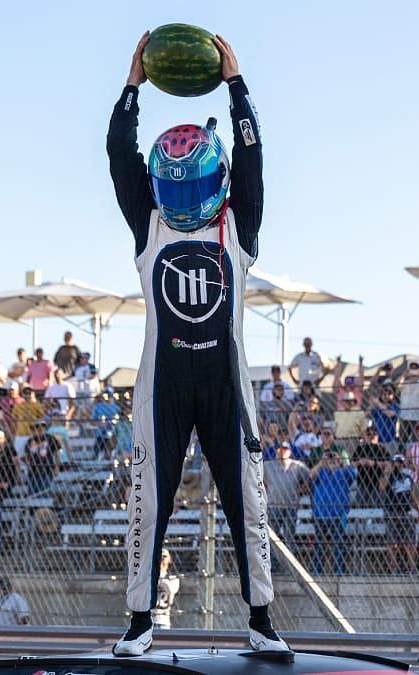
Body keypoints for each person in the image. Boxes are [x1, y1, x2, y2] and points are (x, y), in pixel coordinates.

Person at [108, 32, 285, 655]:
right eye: (172, 188)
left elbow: (254, 156)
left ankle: (261, 619)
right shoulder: (148, 222)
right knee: (147, 506)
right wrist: (131, 87)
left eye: (192, 188)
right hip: (162, 386)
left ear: (216, 179)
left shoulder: (241, 224)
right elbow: (117, 153)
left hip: (226, 387)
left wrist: (237, 87)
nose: (181, 202)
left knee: (249, 505)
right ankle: (139, 623)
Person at [308, 452, 355, 576]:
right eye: (330, 458)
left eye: (335, 457)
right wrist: (321, 462)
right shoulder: (321, 472)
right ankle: (317, 570)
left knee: (339, 542)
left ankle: (339, 569)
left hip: (339, 513)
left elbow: (354, 474)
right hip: (320, 513)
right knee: (319, 543)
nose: (332, 460)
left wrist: (341, 462)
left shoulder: (344, 472)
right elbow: (311, 475)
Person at [380, 453, 419, 573]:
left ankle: (412, 568)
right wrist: (388, 472)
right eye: (396, 462)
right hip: (392, 511)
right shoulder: (388, 476)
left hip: (406, 511)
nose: (398, 465)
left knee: (410, 542)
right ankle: (393, 568)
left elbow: (411, 495)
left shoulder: (408, 477)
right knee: (392, 542)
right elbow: (382, 487)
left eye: (400, 462)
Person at [262, 442, 308, 555]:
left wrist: (299, 490)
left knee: (289, 538)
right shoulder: (267, 465)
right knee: (272, 538)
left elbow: (309, 477)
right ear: (277, 451)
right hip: (274, 506)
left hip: (290, 506)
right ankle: (273, 566)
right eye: (280, 449)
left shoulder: (297, 465)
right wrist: (266, 488)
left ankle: (289, 567)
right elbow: (258, 478)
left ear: (290, 451)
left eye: (285, 449)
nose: (283, 451)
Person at [151, 551, 181, 630]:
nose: (161, 560)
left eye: (164, 557)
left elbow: (170, 590)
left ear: (169, 560)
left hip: (163, 621)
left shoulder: (173, 579)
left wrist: (159, 574)